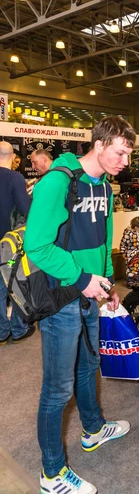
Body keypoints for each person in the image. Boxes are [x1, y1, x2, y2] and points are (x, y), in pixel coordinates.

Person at [24, 117, 136, 494]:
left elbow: (103, 237)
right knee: (58, 388)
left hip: (91, 292)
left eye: (128, 154)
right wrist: (81, 278)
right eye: (121, 152)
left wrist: (106, 283)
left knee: (89, 366)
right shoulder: (58, 181)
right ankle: (51, 472)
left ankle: (92, 429)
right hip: (61, 298)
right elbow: (36, 245)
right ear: (101, 144)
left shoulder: (104, 184)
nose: (125, 161)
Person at [0, 141, 33, 345]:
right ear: (13, 157)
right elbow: (27, 210)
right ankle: (19, 329)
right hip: (9, 246)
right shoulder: (15, 178)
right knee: (13, 282)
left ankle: (1, 332)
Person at [120, 216, 139, 286]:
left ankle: (138, 280)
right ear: (136, 226)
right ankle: (130, 281)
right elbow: (123, 243)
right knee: (132, 268)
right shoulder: (129, 234)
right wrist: (123, 253)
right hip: (131, 254)